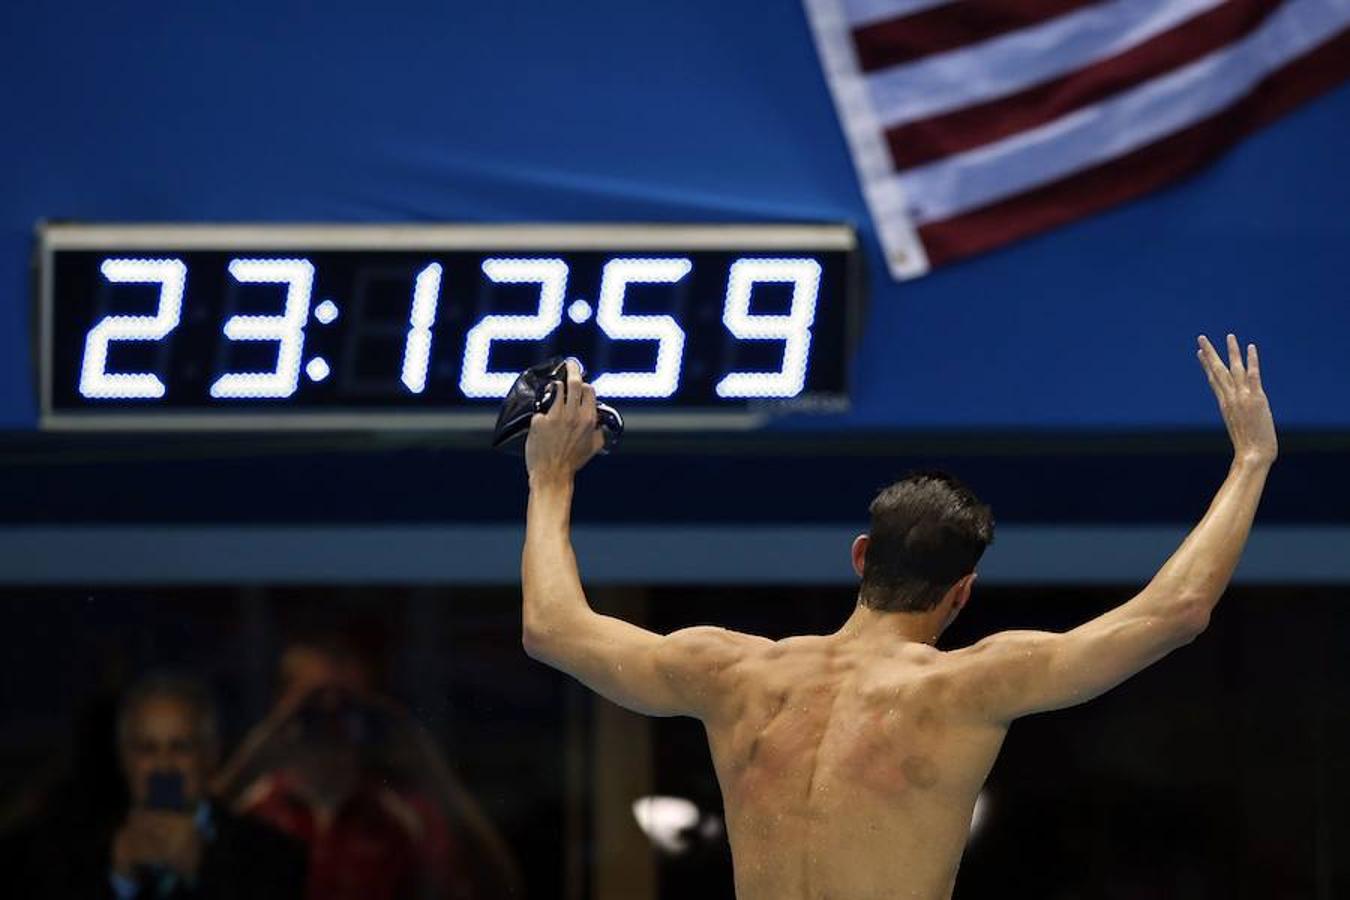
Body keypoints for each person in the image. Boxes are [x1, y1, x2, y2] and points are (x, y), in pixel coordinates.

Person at [519, 334, 1277, 900]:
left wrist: (551, 477)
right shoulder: (967, 687)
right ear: (961, 593)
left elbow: (553, 628)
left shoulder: (734, 672)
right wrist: (1249, 463)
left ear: (860, 557)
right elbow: (1176, 609)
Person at [20, 673, 307, 900]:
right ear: (125, 758)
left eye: (180, 747)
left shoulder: (272, 856)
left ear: (210, 755)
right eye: (147, 749)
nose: (164, 765)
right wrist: (120, 881)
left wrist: (202, 871)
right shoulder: (71, 856)